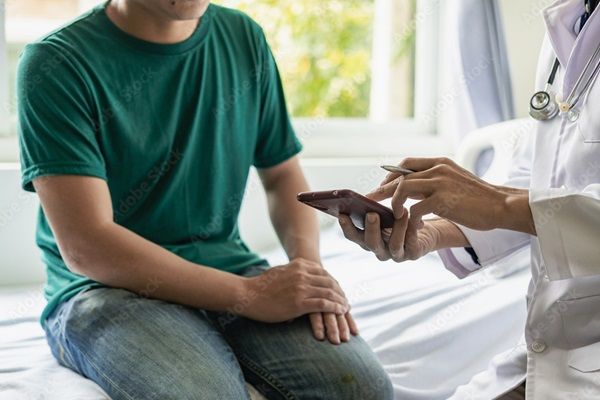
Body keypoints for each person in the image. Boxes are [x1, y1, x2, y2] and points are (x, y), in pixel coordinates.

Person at [17, 1, 393, 399]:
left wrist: (308, 272)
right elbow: (86, 246)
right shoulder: (57, 63)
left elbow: (282, 174)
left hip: (228, 267)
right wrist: (249, 296)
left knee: (362, 391)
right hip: (105, 288)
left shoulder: (242, 37)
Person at [338, 0, 600, 399]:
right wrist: (432, 233)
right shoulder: (570, 25)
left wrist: (495, 202)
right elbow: (541, 180)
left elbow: (531, 203)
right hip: (550, 350)